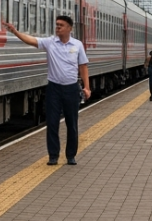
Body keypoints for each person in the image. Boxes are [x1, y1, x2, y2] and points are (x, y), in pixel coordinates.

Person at [5, 15, 92, 165]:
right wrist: (15, 32)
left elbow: (83, 66)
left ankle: (71, 155)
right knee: (52, 123)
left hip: (71, 88)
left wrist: (87, 87)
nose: (57, 27)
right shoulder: (50, 43)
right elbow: (31, 40)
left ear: (70, 28)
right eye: (57, 24)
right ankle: (53, 156)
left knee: (72, 123)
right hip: (54, 89)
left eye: (61, 25)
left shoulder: (77, 45)